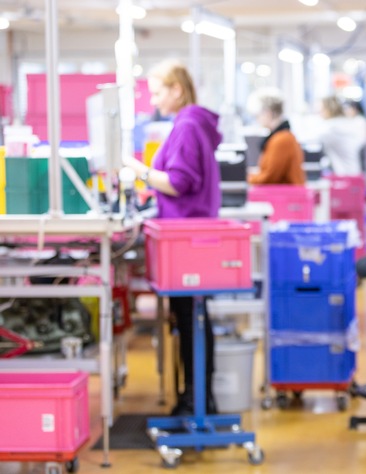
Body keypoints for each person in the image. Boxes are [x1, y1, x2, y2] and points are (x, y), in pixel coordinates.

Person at [123, 59, 222, 415]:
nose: (154, 101)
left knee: (193, 316)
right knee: (193, 316)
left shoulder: (188, 126)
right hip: (190, 235)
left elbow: (178, 183)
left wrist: (139, 171)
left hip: (186, 238)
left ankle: (196, 401)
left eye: (158, 92)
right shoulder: (192, 123)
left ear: (177, 90)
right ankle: (196, 399)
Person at [246, 89, 305, 185]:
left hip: (286, 197)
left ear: (268, 113)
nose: (257, 119)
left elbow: (269, 178)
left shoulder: (281, 140)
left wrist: (247, 178)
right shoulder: (281, 137)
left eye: (258, 115)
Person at [318, 96, 364, 176]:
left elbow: (307, 138)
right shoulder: (348, 123)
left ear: (328, 110)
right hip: (355, 173)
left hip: (343, 176)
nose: (319, 113)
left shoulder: (331, 128)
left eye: (321, 110)